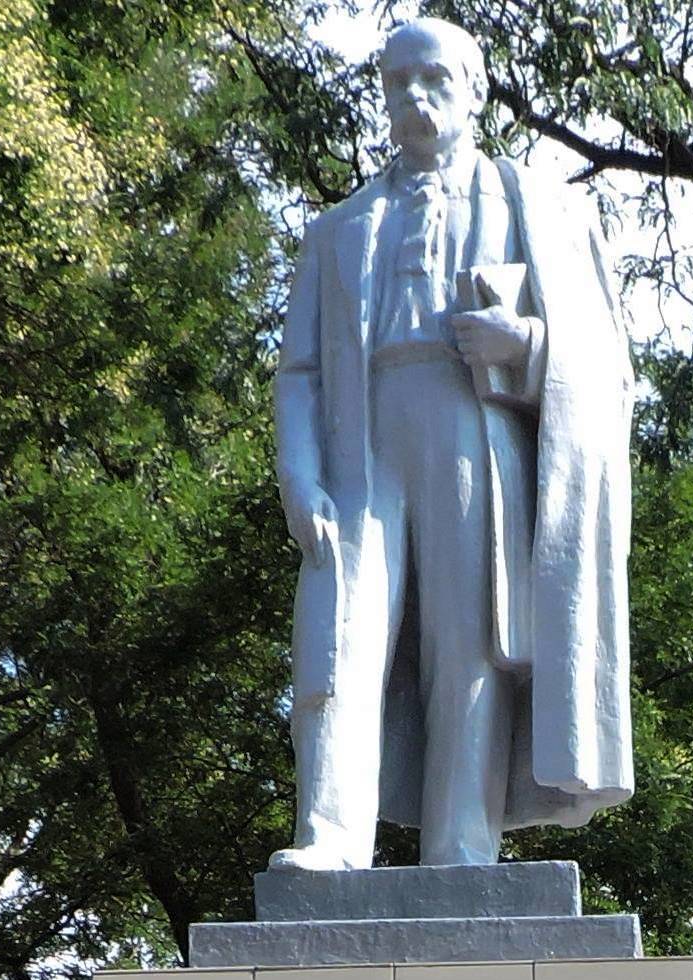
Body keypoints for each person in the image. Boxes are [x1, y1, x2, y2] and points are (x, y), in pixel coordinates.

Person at [270, 15, 632, 872]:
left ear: (473, 89)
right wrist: (299, 473)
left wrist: (524, 347)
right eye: (396, 83)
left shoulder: (530, 205)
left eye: (432, 78)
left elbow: (607, 367)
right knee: (338, 638)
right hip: (363, 444)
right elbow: (299, 372)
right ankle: (329, 838)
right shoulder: (339, 229)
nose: (413, 97)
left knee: (469, 648)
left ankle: (462, 852)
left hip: (475, 432)